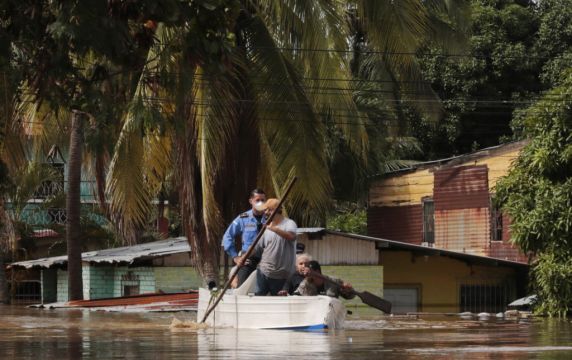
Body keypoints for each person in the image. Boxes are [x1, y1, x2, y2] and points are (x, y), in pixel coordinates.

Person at [221, 188, 266, 286]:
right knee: (242, 285)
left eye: (263, 200)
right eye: (257, 200)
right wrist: (235, 257)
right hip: (249, 257)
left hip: (268, 256)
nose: (260, 203)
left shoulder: (270, 217)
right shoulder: (243, 218)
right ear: (251, 201)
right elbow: (227, 236)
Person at [254, 198, 297, 295]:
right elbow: (258, 247)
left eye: (268, 210)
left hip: (281, 275)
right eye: (265, 210)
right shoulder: (266, 228)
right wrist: (243, 258)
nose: (265, 212)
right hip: (263, 271)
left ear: (275, 210)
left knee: (278, 303)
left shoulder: (289, 223)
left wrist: (275, 229)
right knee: (258, 300)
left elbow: (292, 237)